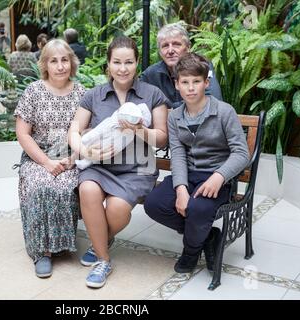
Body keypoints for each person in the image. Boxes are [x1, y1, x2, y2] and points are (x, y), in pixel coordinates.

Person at [68, 36, 168, 288]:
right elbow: (74, 131)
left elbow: (162, 138)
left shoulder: (152, 94)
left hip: (137, 169)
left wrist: (138, 130)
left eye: (129, 62)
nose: (123, 68)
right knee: (87, 189)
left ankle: (100, 238)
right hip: (100, 167)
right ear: (108, 65)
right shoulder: (95, 95)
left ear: (137, 64)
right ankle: (103, 259)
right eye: (117, 62)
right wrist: (86, 152)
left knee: (117, 210)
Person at [143, 53, 249, 274]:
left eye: (196, 81)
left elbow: (241, 153)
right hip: (189, 175)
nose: (191, 88)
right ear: (177, 85)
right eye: (185, 82)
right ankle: (208, 234)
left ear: (206, 83)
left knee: (198, 209)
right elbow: (179, 154)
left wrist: (219, 177)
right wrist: (181, 188)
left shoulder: (224, 112)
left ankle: (190, 252)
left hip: (218, 179)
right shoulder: (175, 116)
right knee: (153, 204)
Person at [14, 39, 85, 278]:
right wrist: (45, 162)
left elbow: (86, 132)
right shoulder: (33, 91)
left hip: (69, 157)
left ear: (72, 63)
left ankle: (63, 244)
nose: (60, 66)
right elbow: (22, 134)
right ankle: (42, 252)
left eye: (64, 59)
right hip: (37, 157)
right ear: (45, 64)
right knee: (40, 185)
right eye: (53, 61)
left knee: (65, 186)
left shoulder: (81, 92)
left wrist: (74, 157)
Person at [141, 23, 222, 109]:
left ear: (188, 47)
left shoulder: (202, 65)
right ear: (160, 52)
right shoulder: (151, 74)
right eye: (165, 46)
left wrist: (169, 107)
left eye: (176, 44)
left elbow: (214, 99)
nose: (170, 50)